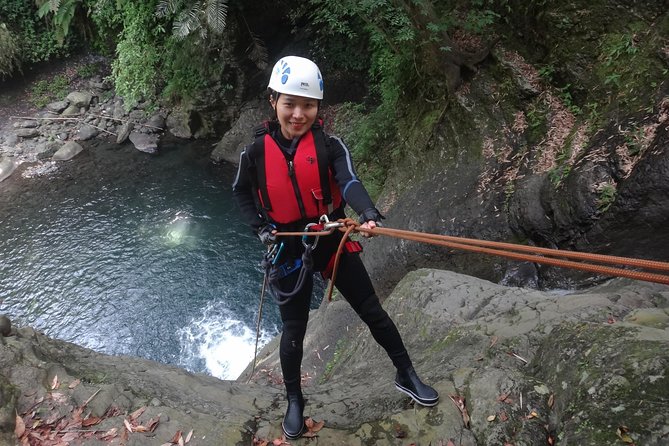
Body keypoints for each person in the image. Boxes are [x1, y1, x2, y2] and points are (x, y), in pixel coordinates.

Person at [232, 55, 438, 439]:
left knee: (372, 311)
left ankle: (406, 374)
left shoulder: (329, 145)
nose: (298, 114)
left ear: (318, 107)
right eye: (289, 103)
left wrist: (368, 211)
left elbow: (348, 182)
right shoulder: (255, 153)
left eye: (307, 105)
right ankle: (295, 400)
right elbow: (241, 192)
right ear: (273, 101)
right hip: (287, 246)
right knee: (294, 329)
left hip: (330, 238)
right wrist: (260, 228)